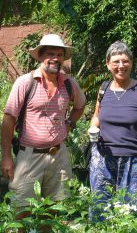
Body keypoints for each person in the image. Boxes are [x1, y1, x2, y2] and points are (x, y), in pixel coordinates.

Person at [0, 34, 86, 223]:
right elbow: (9, 119)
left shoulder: (69, 84)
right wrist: (6, 156)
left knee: (54, 208)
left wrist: (69, 124)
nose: (55, 58)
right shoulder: (25, 83)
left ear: (63, 58)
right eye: (50, 54)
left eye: (59, 54)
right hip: (29, 157)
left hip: (59, 155)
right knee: (21, 210)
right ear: (40, 56)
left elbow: (80, 105)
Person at [89, 41, 137, 221]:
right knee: (101, 210)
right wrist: (93, 127)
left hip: (135, 160)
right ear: (108, 65)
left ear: (131, 63)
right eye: (116, 62)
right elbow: (97, 116)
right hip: (103, 160)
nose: (121, 66)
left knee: (133, 212)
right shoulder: (103, 89)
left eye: (125, 61)